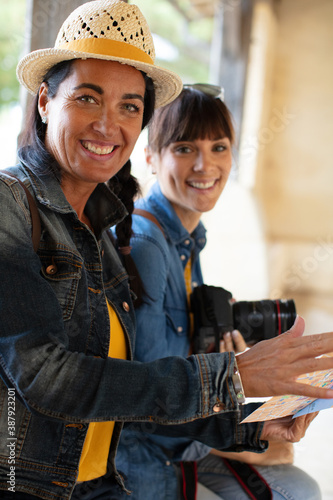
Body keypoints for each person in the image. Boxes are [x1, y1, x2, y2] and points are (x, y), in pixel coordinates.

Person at [0, 1, 333, 500]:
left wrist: (252, 426)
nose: (108, 125)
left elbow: (131, 386)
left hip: (97, 484)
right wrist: (234, 374)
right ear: (46, 101)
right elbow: (47, 378)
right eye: (88, 98)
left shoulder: (104, 226)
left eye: (129, 107)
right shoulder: (9, 205)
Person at [113, 85, 322, 499]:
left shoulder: (188, 238)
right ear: (151, 158)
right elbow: (149, 400)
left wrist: (235, 367)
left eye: (219, 147)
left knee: (298, 482)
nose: (205, 165)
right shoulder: (147, 246)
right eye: (185, 148)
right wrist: (249, 438)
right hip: (148, 458)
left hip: (183, 437)